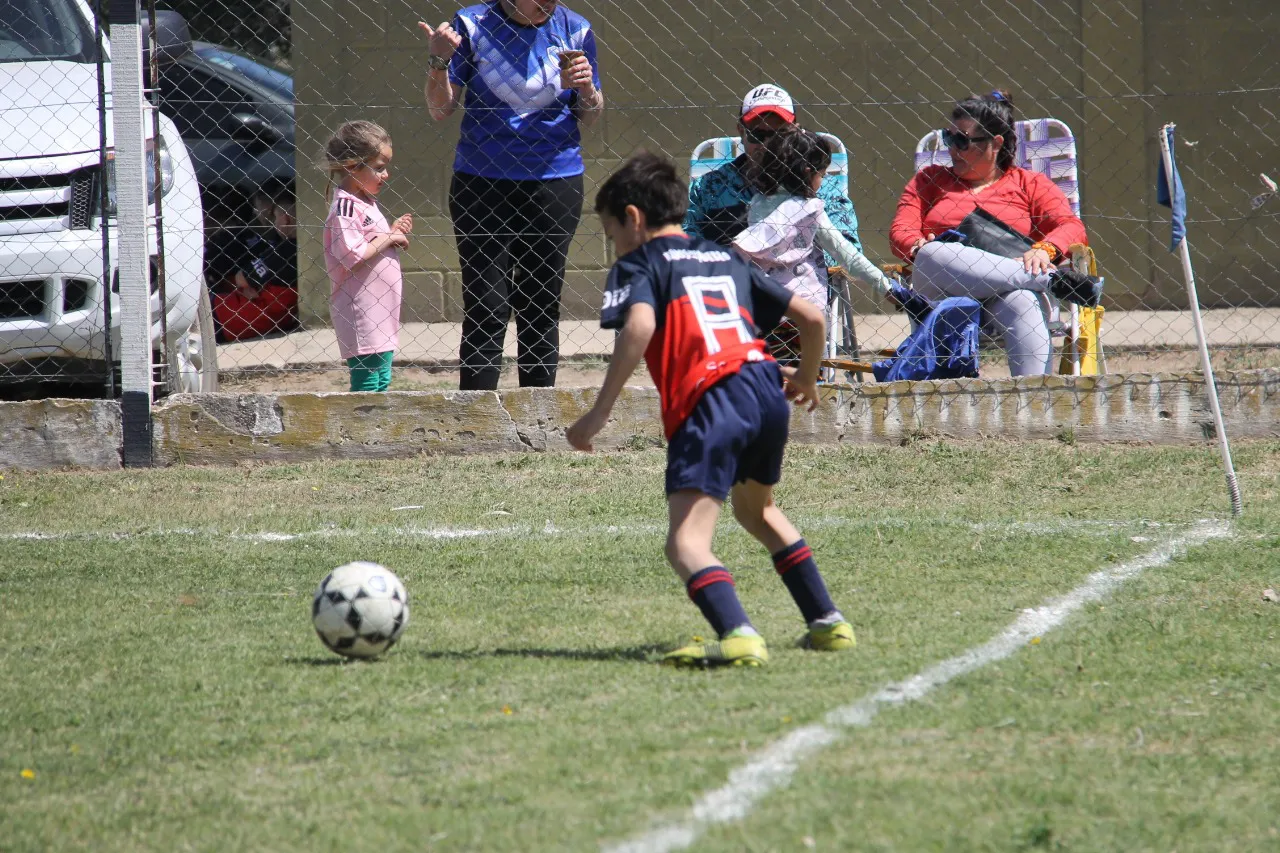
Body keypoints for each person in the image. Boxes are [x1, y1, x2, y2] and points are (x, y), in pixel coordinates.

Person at [566, 152, 856, 668]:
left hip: (710, 397)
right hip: (765, 386)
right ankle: (828, 623)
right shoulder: (726, 257)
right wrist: (808, 378)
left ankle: (739, 635)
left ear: (632, 219)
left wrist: (599, 412)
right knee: (757, 511)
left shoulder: (637, 263)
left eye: (612, 232)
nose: (615, 244)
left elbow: (639, 328)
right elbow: (812, 318)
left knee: (686, 543)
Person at [419, 0, 604, 390]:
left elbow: (590, 114)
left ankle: (539, 411)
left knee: (540, 303)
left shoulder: (576, 29)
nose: (548, 3)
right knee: (487, 304)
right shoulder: (472, 25)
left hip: (555, 181)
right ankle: (476, 415)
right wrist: (439, 61)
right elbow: (440, 110)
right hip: (481, 181)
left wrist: (587, 88)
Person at [890, 90, 1101, 376]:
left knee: (1024, 301)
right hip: (944, 290)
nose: (952, 148)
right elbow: (900, 229)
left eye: (962, 140)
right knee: (932, 252)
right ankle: (1051, 281)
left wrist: (1044, 249)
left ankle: (1036, 406)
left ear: (996, 143)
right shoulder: (929, 180)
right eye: (949, 138)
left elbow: (1071, 226)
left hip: (1005, 295)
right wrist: (915, 244)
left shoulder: (1029, 183)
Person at [685, 83, 862, 268]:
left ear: (795, 131)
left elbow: (850, 248)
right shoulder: (708, 188)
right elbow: (683, 242)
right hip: (727, 287)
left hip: (801, 287)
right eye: (758, 135)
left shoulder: (823, 188)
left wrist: (785, 257)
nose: (768, 144)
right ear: (741, 130)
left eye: (779, 134)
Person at [733, 128, 892, 311]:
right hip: (804, 306)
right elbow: (847, 255)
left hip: (760, 301)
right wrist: (886, 287)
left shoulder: (757, 202)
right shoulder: (810, 209)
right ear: (808, 172)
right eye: (822, 175)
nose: (822, 181)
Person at [322, 120, 413, 393]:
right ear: (351, 166)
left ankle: (378, 434)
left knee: (382, 380)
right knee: (367, 382)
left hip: (380, 311)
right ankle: (360, 434)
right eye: (379, 168)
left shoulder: (365, 202)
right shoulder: (346, 207)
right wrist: (391, 237)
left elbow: (371, 241)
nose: (385, 175)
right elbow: (351, 253)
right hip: (361, 312)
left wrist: (392, 230)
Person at [208, 185, 300, 343]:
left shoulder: (287, 250)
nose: (274, 223)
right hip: (266, 319)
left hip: (232, 319)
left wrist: (250, 283)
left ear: (285, 219)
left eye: (275, 217)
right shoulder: (303, 247)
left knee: (195, 303)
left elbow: (241, 279)